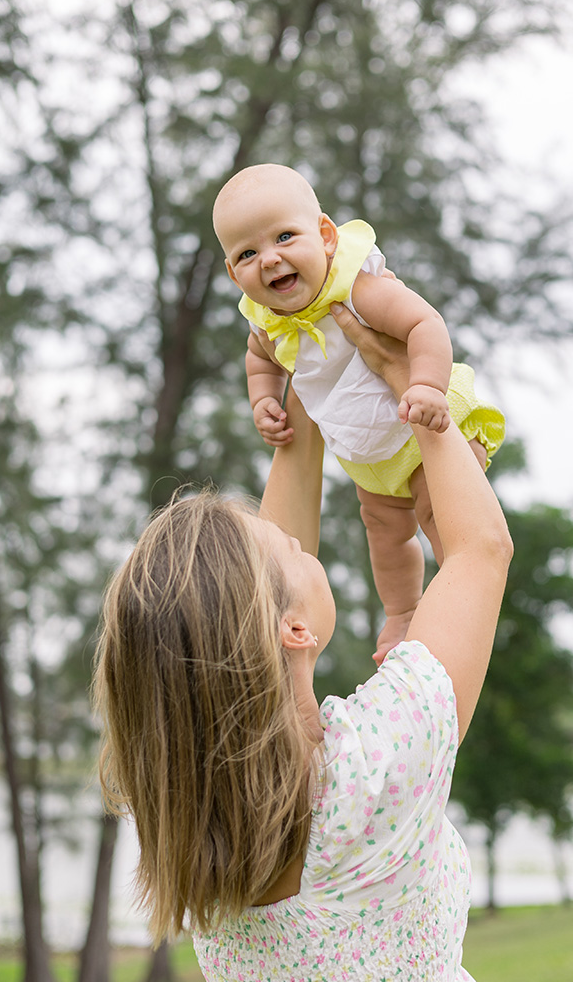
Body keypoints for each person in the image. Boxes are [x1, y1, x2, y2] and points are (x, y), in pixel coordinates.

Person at [93, 309, 527, 982]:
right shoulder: (380, 757)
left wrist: (310, 396)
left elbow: (243, 626)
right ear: (293, 629)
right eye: (294, 549)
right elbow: (480, 551)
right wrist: (414, 390)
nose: (298, 539)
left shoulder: (172, 798)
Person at [212, 163, 506, 665]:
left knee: (441, 519)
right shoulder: (265, 322)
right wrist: (263, 398)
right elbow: (259, 361)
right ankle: (402, 611)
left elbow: (424, 323)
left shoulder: (354, 288)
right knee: (383, 533)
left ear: (325, 235)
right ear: (232, 272)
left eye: (285, 237)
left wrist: (428, 387)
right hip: (367, 451)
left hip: (420, 422)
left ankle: (455, 606)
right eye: (248, 253)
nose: (270, 259)